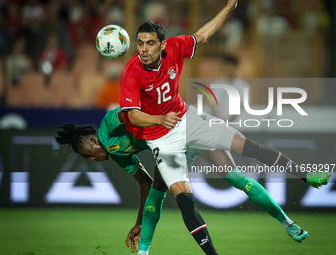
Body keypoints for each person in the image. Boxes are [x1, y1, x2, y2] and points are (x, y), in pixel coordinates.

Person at [119, 1, 330, 254]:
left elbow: (203, 35)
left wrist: (229, 7)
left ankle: (297, 197)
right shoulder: (131, 72)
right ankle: (147, 252)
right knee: (181, 198)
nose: (143, 49)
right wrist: (159, 120)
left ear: (162, 44)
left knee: (246, 150)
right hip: (162, 139)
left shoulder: (174, 46)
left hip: (187, 119)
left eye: (150, 43)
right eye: (140, 43)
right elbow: (132, 116)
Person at [54, 107, 330, 255]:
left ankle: (291, 216)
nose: (90, 159)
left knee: (241, 170)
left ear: (91, 141)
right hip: (170, 148)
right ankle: (145, 251)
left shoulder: (108, 125)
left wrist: (155, 117)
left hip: (188, 126)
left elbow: (129, 112)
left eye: (87, 154)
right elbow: (144, 182)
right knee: (160, 192)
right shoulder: (119, 157)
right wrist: (138, 222)